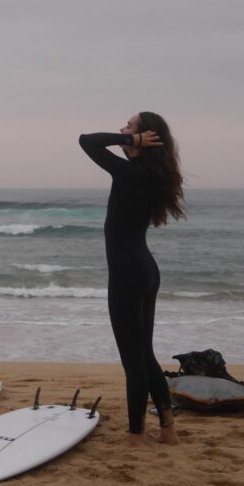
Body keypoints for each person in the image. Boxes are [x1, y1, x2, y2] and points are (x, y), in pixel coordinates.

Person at [79, 112, 185, 446]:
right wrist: (134, 140)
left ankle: (136, 434)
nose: (123, 130)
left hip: (127, 274)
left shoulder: (128, 173)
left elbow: (87, 141)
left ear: (145, 138)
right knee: (145, 353)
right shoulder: (152, 175)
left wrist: (130, 142)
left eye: (129, 126)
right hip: (146, 271)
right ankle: (167, 428)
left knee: (132, 360)